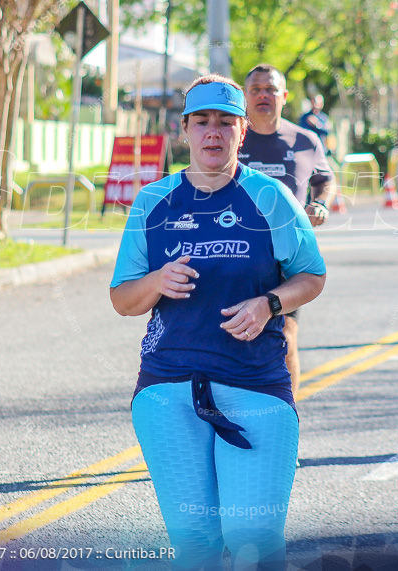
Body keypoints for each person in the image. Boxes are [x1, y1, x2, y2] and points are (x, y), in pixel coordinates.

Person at [110, 75, 326, 569]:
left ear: (242, 132)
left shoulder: (269, 198)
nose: (214, 133)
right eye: (202, 122)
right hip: (168, 390)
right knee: (195, 545)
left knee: (253, 540)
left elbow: (311, 275)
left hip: (254, 384)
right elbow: (123, 300)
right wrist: (157, 281)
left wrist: (269, 302)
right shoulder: (154, 202)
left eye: (226, 123)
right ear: (184, 131)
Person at [239, 63, 336, 400]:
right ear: (245, 96)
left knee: (285, 339)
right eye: (256, 89)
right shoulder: (231, 139)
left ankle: (288, 422)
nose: (263, 95)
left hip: (285, 260)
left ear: (284, 96)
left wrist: (320, 203)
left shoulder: (305, 140)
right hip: (233, 254)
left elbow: (325, 179)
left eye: (270, 89)